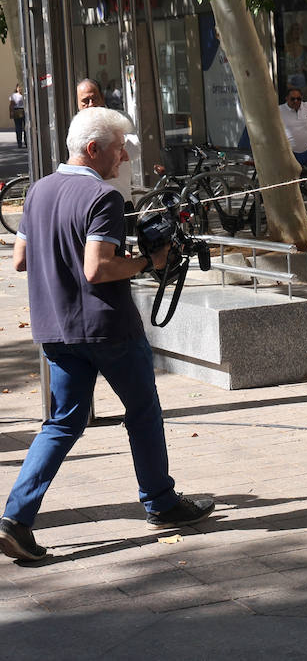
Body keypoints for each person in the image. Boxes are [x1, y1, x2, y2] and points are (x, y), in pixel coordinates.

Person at [0, 107, 214, 562]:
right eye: (119, 148)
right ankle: (161, 502)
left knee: (62, 423)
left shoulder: (37, 191)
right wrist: (149, 262)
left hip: (55, 329)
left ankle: (15, 519)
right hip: (107, 328)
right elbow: (97, 269)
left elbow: (19, 260)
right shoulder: (103, 197)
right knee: (143, 411)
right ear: (93, 148)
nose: (124, 158)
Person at [75, 78, 137, 207]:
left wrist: (111, 142)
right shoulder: (76, 127)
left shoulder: (120, 119)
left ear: (102, 98)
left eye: (94, 99)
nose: (91, 104)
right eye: (85, 101)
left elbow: (135, 150)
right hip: (90, 203)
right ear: (78, 103)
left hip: (121, 199)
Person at [278, 87, 307, 176]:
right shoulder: (280, 110)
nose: (296, 101)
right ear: (287, 99)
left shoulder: (306, 106)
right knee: (292, 179)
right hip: (290, 153)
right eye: (292, 99)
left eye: (298, 99)